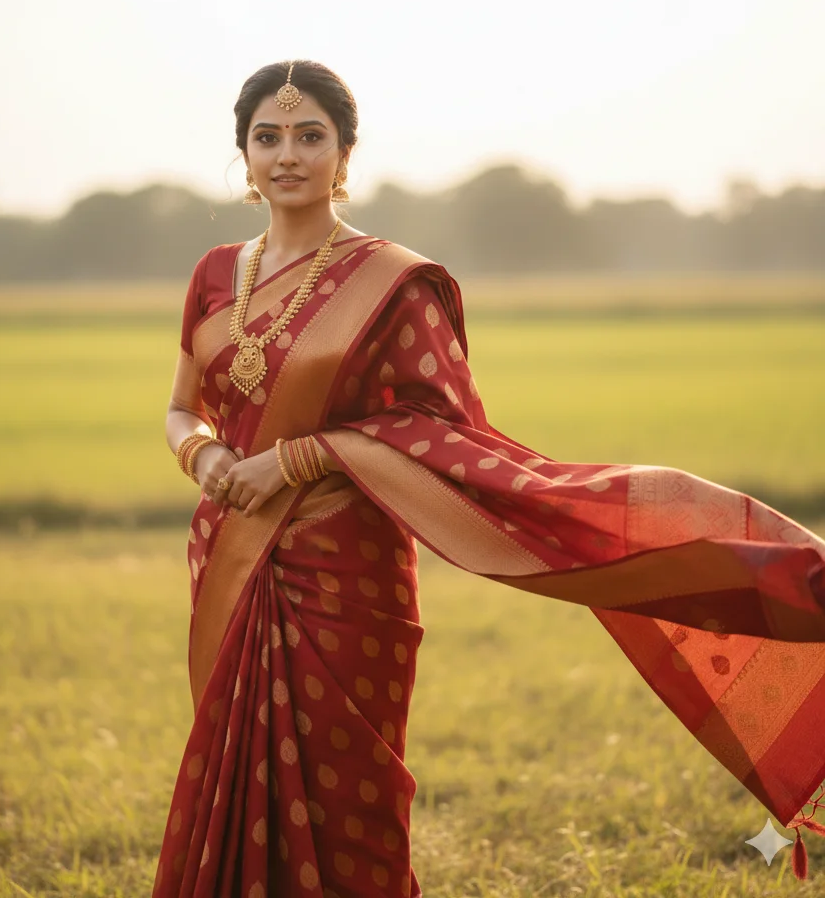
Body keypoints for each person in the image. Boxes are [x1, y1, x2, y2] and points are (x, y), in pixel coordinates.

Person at [154, 59, 825, 897]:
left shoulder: (391, 281)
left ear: (345, 153)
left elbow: (432, 429)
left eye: (309, 136)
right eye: (267, 137)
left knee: (346, 789)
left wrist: (298, 456)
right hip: (231, 554)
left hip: (342, 565)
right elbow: (183, 409)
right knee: (237, 767)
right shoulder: (217, 274)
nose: (287, 154)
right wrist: (207, 456)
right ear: (243, 156)